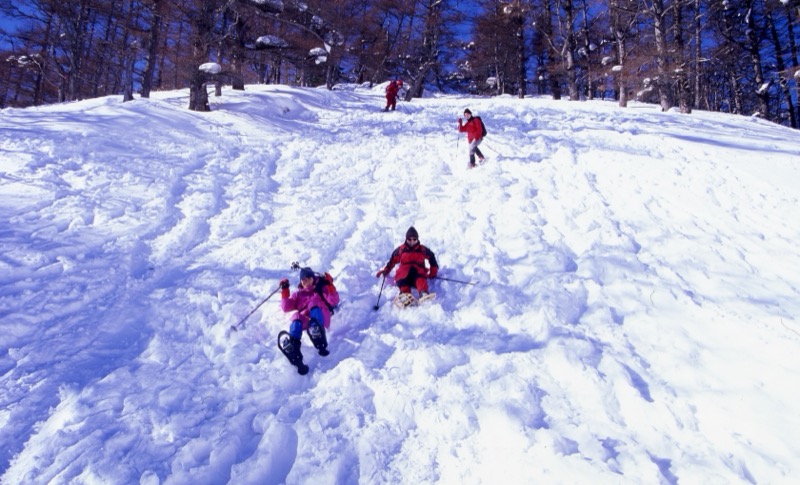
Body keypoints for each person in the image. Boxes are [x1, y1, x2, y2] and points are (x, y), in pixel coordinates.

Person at [278, 267, 340, 374]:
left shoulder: (321, 289)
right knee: (297, 317)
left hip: (321, 317)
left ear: (313, 278)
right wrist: (285, 290)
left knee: (313, 305)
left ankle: (317, 329)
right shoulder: (298, 294)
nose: (305, 281)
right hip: (307, 321)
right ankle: (293, 345)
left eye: (308, 278)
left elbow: (334, 300)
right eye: (303, 279)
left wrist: (330, 285)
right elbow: (285, 307)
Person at [375, 226, 439, 301]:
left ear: (417, 239)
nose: (412, 241)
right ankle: (405, 295)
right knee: (402, 281)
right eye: (409, 239)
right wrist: (386, 270)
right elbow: (392, 260)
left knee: (420, 280)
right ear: (406, 239)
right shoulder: (401, 250)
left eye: (414, 239)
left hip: (417, 273)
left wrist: (433, 273)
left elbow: (432, 257)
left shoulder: (422, 249)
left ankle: (423, 293)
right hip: (403, 274)